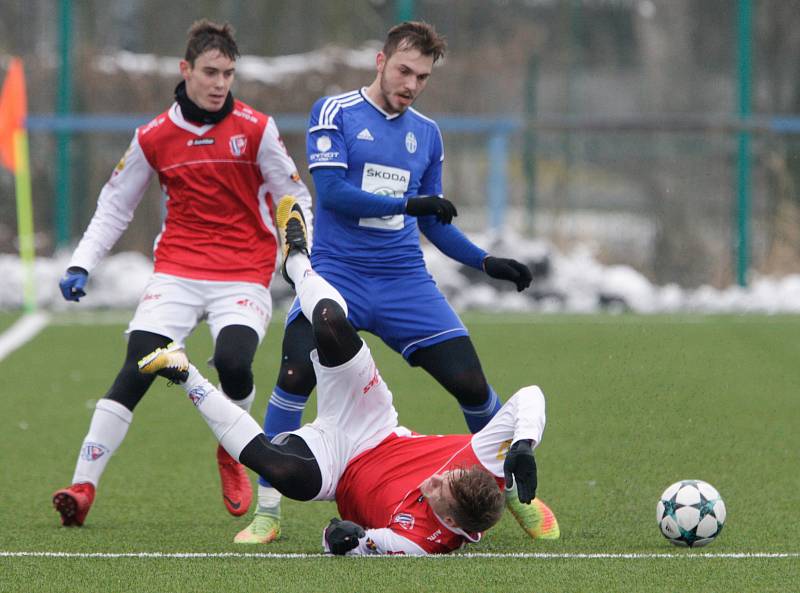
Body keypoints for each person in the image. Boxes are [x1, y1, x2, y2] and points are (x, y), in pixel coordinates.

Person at [239, 20, 538, 545]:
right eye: (404, 70)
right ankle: (268, 511)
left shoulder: (427, 133)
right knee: (293, 374)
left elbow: (433, 221)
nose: (411, 84)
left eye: (422, 76)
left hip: (403, 281)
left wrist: (486, 262)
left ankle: (509, 493)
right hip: (339, 274)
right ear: (381, 61)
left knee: (470, 381)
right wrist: (408, 203)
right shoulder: (334, 113)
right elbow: (331, 194)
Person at [138, 197, 558, 554]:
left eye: (442, 488)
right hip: (373, 424)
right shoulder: (481, 463)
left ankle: (183, 371)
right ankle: (298, 260)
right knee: (328, 323)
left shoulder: (419, 544)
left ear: (448, 518)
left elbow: (352, 542)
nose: (440, 476)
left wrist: (339, 539)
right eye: (450, 475)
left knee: (284, 474)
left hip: (335, 466)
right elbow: (531, 396)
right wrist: (522, 444)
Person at [51, 20, 313, 527]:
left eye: (229, 74)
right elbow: (114, 206)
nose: (220, 84)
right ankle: (83, 485)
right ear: (185, 70)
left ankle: (232, 450)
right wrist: (83, 261)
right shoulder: (154, 136)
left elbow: (294, 196)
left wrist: (301, 253)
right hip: (178, 270)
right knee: (139, 365)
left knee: (234, 363)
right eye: (211, 72)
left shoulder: (257, 129)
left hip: (242, 272)